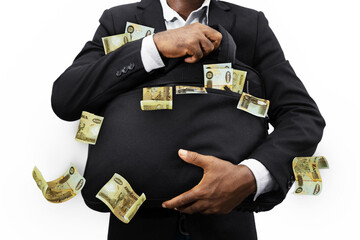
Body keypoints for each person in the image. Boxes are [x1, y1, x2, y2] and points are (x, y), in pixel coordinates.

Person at [51, 0, 325, 239]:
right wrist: (154, 46)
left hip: (227, 230)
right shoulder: (118, 20)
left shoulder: (250, 24)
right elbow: (66, 98)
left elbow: (302, 115)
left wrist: (250, 176)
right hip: (136, 230)